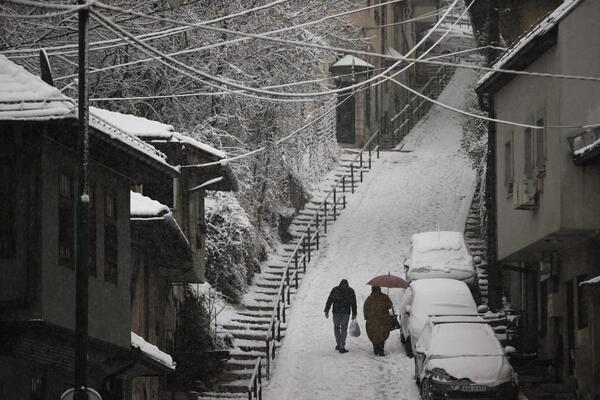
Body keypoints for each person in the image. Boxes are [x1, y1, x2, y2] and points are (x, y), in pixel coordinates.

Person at [324, 279, 357, 353]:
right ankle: (341, 345)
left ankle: (339, 344)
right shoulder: (350, 291)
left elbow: (330, 300)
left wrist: (327, 310)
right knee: (344, 328)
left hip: (336, 312)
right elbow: (353, 303)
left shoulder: (335, 289)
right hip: (346, 313)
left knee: (336, 328)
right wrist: (354, 313)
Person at [363, 286, 393, 356]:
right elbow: (390, 306)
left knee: (373, 334)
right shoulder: (384, 297)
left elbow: (365, 308)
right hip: (383, 320)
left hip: (372, 321)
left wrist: (366, 317)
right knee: (382, 334)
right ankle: (381, 349)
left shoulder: (369, 299)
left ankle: (376, 348)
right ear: (379, 289)